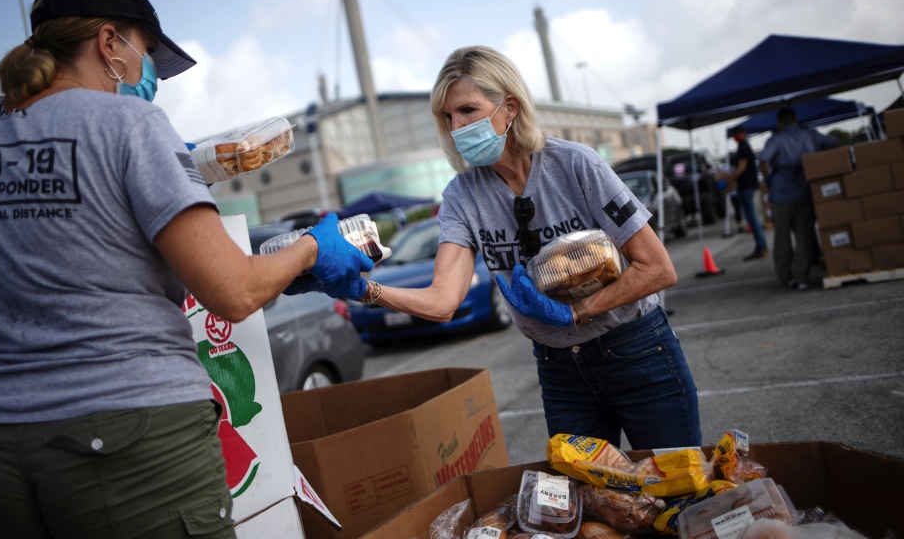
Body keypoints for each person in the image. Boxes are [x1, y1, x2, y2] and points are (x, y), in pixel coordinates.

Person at [0, 0, 372, 538]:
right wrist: (313, 248)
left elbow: (74, 241)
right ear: (109, 43)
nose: (149, 73)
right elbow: (234, 290)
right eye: (145, 53)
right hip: (125, 439)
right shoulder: (130, 122)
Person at [322, 46, 701, 450]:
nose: (457, 126)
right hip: (560, 369)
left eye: (467, 110)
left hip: (635, 349)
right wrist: (365, 289)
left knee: (673, 479)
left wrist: (576, 312)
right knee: (586, 489)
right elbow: (443, 301)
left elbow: (658, 268)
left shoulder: (576, 165)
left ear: (510, 107)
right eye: (448, 117)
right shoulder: (462, 197)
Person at [758, 108, 840, 290]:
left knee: (782, 239)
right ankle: (801, 277)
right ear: (795, 120)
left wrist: (768, 179)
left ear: (779, 122)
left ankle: (786, 278)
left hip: (781, 193)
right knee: (804, 237)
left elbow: (763, 160)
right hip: (805, 191)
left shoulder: (776, 139)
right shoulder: (810, 135)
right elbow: (835, 142)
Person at [729, 125, 768, 260]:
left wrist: (730, 178)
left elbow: (741, 167)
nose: (736, 137)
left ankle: (761, 248)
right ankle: (761, 247)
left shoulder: (743, 147)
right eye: (734, 134)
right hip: (747, 186)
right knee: (752, 218)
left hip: (746, 186)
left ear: (743, 133)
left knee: (751, 218)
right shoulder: (743, 146)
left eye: (737, 134)